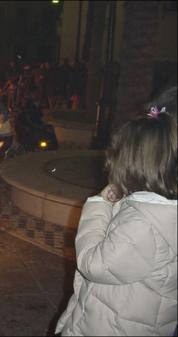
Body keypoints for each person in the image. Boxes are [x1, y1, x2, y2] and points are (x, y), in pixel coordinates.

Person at [56, 109, 177, 336]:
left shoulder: (145, 224)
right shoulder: (157, 208)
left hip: (113, 326)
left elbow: (93, 264)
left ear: (131, 164)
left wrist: (99, 204)